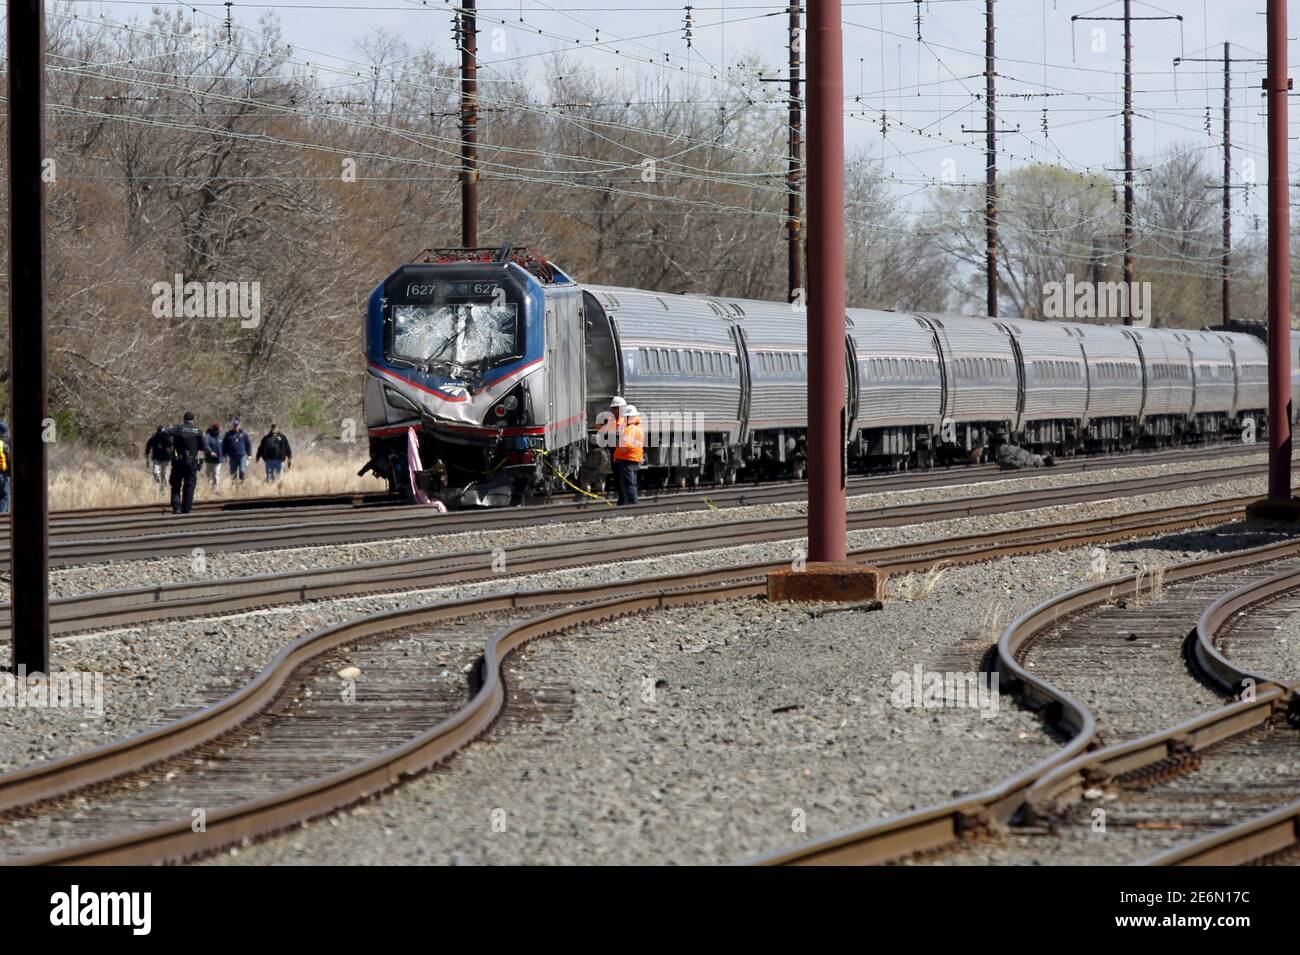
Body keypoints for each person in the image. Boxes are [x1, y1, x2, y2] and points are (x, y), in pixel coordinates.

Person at [167, 411, 205, 514]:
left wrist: (169, 445)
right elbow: (204, 447)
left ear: (184, 419)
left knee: (175, 485)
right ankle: (186, 508)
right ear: (193, 420)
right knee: (189, 486)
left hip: (178, 462)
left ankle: (177, 508)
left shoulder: (178, 429)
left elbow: (165, 433)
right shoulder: (198, 431)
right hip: (192, 462)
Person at [613, 404, 644, 506]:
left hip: (628, 459)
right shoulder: (638, 427)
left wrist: (619, 444)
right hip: (634, 459)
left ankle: (632, 504)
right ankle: (632, 503)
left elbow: (626, 445)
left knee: (628, 484)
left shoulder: (630, 429)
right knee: (632, 483)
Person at [222, 419, 252, 483]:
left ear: (239, 425)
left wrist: (249, 454)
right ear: (233, 426)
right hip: (232, 457)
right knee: (233, 473)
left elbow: (248, 444)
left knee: (242, 470)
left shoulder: (244, 434)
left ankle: (241, 483)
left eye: (237, 425)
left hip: (242, 456)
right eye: (234, 425)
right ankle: (235, 486)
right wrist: (224, 455)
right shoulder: (228, 434)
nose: (236, 426)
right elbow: (224, 445)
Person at [145, 425, 172, 491]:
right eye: (159, 432)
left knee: (164, 474)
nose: (160, 433)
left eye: (162, 432)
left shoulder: (167, 437)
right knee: (155, 472)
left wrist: (172, 454)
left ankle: (163, 489)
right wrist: (147, 454)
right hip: (156, 458)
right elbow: (148, 445)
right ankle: (158, 483)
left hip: (166, 459)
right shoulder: (154, 438)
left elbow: (171, 446)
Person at [203, 421, 224, 492]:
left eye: (219, 428)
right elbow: (206, 445)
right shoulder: (208, 437)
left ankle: (215, 489)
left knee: (216, 474)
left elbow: (225, 446)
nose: (219, 430)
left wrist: (226, 454)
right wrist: (210, 451)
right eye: (218, 429)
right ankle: (207, 488)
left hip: (218, 460)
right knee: (208, 474)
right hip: (209, 459)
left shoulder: (221, 436)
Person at [0, 422, 10, 514]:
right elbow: (9, 460)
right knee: (5, 496)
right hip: (3, 474)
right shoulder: (4, 445)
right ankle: (3, 517)